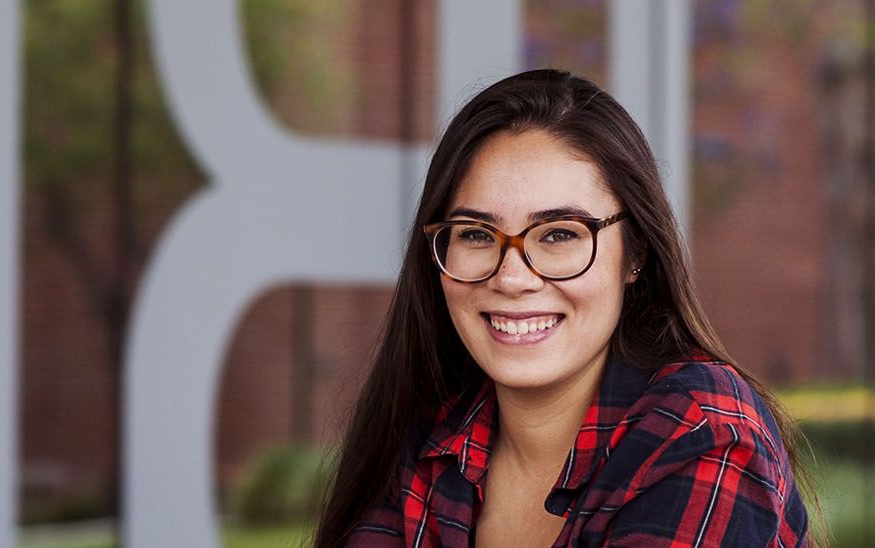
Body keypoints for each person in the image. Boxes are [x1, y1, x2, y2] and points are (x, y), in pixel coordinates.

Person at [314, 69, 815, 547]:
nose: (511, 277)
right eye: (475, 234)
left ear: (635, 252)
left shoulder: (701, 429)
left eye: (559, 234)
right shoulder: (430, 432)